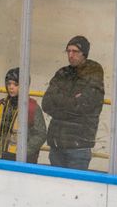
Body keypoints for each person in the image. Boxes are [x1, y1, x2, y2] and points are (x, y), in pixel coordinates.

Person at [41, 35, 105, 170]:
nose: (70, 55)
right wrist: (72, 100)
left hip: (79, 146)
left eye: (75, 51)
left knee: (75, 183)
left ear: (84, 54)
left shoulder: (94, 73)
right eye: (68, 51)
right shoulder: (62, 72)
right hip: (57, 144)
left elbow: (84, 105)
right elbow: (46, 103)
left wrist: (59, 101)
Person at [0, 67, 47, 164]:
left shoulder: (32, 108)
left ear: (25, 86)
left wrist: (24, 151)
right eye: (9, 84)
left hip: (20, 160)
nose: (11, 87)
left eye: (16, 84)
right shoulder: (1, 105)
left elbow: (40, 134)